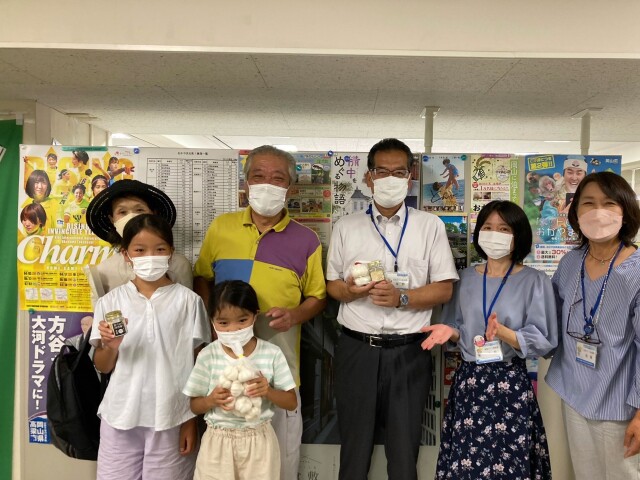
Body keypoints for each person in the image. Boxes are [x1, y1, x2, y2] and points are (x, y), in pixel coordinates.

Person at [325, 138, 459, 480]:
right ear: (368, 178)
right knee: (353, 449)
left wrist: (403, 298)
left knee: (403, 452)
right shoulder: (346, 227)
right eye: (381, 171)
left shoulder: (429, 227)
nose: (390, 179)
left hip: (409, 351)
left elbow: (444, 288)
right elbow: (332, 286)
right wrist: (350, 291)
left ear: (410, 178)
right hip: (356, 349)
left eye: (398, 172)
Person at [194, 145, 326, 480]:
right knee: (224, 465)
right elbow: (202, 277)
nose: (267, 184)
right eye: (258, 176)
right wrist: (213, 322)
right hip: (224, 373)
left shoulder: (307, 240)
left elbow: (318, 297)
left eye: (277, 178)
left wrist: (295, 316)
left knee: (277, 467)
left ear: (290, 188)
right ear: (246, 183)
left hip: (279, 374)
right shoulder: (221, 227)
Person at [421, 200, 556, 479]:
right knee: (465, 464)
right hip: (470, 383)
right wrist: (451, 332)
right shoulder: (464, 278)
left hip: (510, 384)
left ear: (518, 235)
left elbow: (545, 339)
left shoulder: (535, 281)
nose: (495, 234)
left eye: (504, 228)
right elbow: (456, 326)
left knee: (510, 465)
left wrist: (504, 333)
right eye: (488, 227)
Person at [90, 214, 210, 480]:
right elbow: (103, 366)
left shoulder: (189, 302)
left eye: (160, 249)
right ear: (126, 254)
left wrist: (191, 420)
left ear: (171, 253)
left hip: (172, 417)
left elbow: (199, 365)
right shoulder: (110, 302)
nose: (150, 256)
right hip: (120, 415)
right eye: (140, 250)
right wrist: (111, 347)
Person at [545, 172, 640, 478]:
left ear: (625, 211)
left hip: (619, 403)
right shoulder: (571, 263)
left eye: (609, 203)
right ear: (576, 212)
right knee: (585, 473)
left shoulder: (636, 270)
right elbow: (549, 317)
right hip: (574, 392)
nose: (598, 211)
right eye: (588, 203)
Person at [183, 280, 297, 480]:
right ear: (212, 321)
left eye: (242, 320)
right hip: (217, 445)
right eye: (223, 323)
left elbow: (291, 402)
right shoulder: (208, 355)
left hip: (259, 444)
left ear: (255, 316)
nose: (233, 329)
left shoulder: (271, 353)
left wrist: (268, 391)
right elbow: (194, 405)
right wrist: (211, 400)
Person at [85, 179, 193, 305]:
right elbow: (102, 313)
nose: (132, 217)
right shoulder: (103, 271)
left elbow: (188, 307)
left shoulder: (179, 265)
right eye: (122, 212)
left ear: (153, 214)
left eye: (140, 210)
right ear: (112, 219)